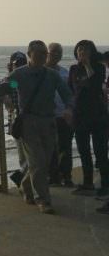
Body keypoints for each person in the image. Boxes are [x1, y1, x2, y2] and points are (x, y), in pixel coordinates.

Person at [0, 40, 73, 214]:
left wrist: (69, 108)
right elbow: (4, 87)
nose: (43, 57)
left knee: (45, 162)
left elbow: (66, 93)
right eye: (39, 53)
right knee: (37, 161)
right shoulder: (20, 75)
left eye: (44, 53)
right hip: (29, 123)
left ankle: (25, 185)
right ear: (29, 54)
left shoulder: (52, 76)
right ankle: (43, 200)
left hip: (49, 122)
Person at [70, 40, 109, 196]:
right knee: (84, 151)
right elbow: (71, 90)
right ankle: (88, 183)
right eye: (80, 50)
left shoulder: (99, 68)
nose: (82, 52)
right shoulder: (73, 69)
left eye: (86, 50)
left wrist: (87, 65)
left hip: (98, 115)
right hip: (80, 115)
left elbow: (95, 86)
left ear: (92, 52)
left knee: (100, 151)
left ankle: (105, 185)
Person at [46, 43, 74, 187]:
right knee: (48, 148)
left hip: (63, 115)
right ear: (47, 53)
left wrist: (70, 109)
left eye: (59, 52)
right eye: (53, 52)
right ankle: (53, 177)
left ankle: (66, 176)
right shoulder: (38, 71)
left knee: (65, 147)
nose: (56, 55)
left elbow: (71, 94)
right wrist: (8, 95)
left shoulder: (65, 73)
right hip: (45, 116)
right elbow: (12, 82)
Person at [3, 51, 29, 189]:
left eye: (22, 63)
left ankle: (22, 178)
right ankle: (25, 184)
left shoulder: (29, 78)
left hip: (31, 120)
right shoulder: (10, 80)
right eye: (16, 64)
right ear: (10, 65)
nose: (19, 66)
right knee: (23, 155)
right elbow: (2, 89)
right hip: (17, 122)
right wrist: (4, 97)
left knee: (34, 155)